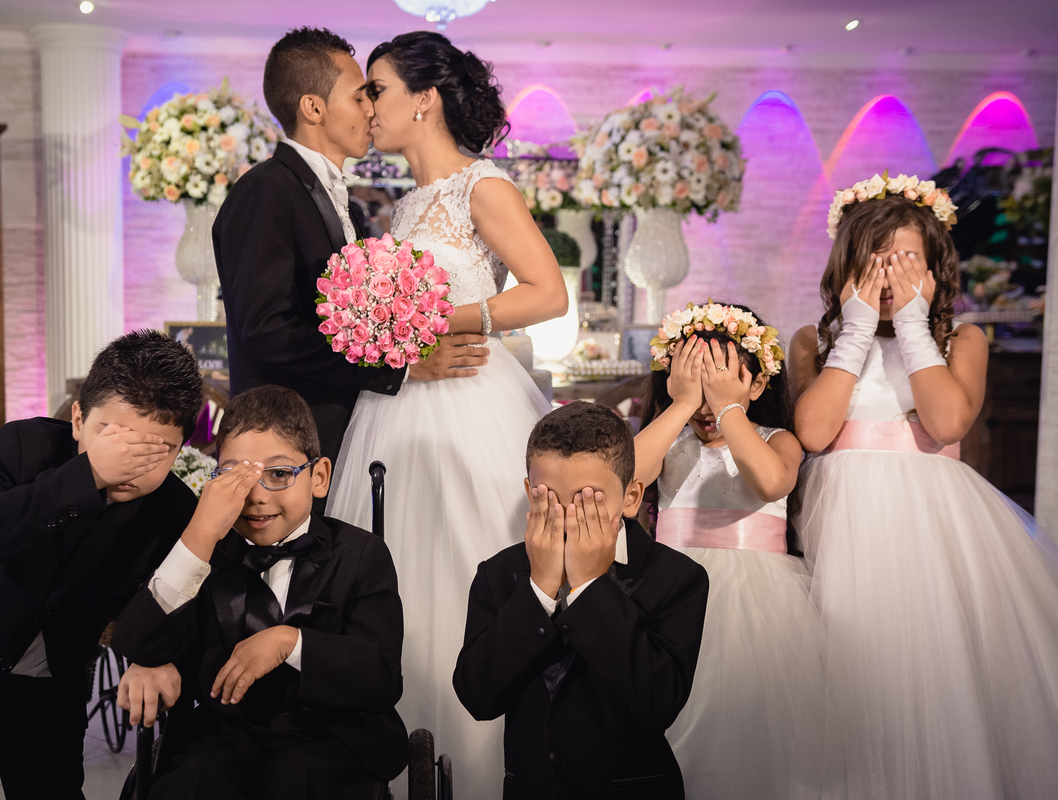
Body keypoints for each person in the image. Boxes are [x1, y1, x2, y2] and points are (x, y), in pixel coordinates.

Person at [326, 31, 568, 798]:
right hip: (394, 411)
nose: (369, 105)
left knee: (466, 570)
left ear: (425, 99)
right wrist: (390, 335)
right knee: (390, 575)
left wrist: (438, 321)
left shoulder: (481, 187)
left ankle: (481, 761)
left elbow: (547, 291)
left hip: (468, 403)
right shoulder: (399, 208)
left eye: (379, 89)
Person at [790, 175, 1058, 799]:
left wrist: (918, 328)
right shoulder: (814, 343)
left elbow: (948, 421)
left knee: (924, 667)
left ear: (935, 268)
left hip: (928, 527)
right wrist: (857, 331)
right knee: (847, 666)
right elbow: (815, 432)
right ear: (848, 267)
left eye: (906, 260)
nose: (890, 275)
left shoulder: (962, 339)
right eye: (877, 260)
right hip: (840, 524)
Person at [0, 330, 203, 800]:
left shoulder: (173, 509)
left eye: (154, 451)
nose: (128, 464)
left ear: (180, 449)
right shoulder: (24, 445)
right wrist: (88, 474)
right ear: (78, 418)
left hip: (48, 678)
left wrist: (153, 656)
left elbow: (170, 599)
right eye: (114, 439)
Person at [111, 385, 407, 800]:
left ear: (318, 477)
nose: (256, 496)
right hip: (227, 732)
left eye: (279, 473)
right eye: (236, 474)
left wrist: (292, 641)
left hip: (331, 735)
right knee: (197, 784)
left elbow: (381, 677)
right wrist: (201, 535)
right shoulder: (205, 553)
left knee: (298, 782)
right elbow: (138, 640)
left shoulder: (361, 554)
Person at [215, 27, 487, 463]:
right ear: (313, 107)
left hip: (341, 438)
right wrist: (398, 368)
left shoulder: (348, 207)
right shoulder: (265, 191)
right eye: (360, 96)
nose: (370, 110)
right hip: (286, 445)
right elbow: (267, 332)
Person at [452, 401, 709, 800]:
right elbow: (478, 696)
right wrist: (538, 589)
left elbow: (659, 702)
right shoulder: (499, 575)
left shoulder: (677, 578)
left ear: (631, 496)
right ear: (528, 491)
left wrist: (590, 585)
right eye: (549, 498)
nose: (570, 516)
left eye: (588, 499)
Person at [634, 303, 824, 800]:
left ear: (757, 384)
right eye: (694, 386)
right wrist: (678, 405)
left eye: (722, 383)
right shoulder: (669, 440)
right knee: (673, 723)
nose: (705, 405)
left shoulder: (778, 440)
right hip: (671, 596)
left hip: (757, 604)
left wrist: (729, 408)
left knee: (749, 728)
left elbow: (769, 481)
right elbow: (624, 478)